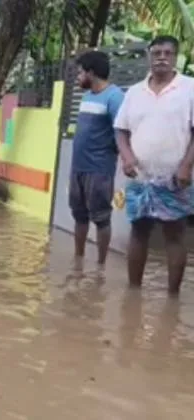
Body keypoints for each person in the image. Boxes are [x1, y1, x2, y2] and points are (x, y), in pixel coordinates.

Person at [114, 35, 194, 295]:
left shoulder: (189, 88)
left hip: (175, 177)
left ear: (175, 57)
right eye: (157, 53)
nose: (161, 58)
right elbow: (120, 130)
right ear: (149, 56)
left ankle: (172, 297)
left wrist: (186, 166)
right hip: (140, 177)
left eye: (167, 53)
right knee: (138, 230)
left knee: (175, 234)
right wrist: (126, 157)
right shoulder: (135, 92)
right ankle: (133, 293)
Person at [68, 50, 124, 269]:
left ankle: (101, 265)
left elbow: (121, 132)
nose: (78, 77)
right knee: (79, 215)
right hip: (78, 168)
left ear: (91, 73)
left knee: (101, 217)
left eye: (80, 72)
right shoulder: (87, 96)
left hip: (99, 169)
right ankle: (78, 260)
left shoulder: (115, 97)